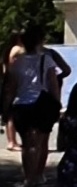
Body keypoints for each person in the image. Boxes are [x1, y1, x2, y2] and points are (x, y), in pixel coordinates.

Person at [3, 23, 61, 187]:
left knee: (27, 145)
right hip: (41, 104)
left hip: (22, 105)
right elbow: (53, 83)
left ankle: (28, 177)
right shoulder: (46, 59)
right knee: (40, 143)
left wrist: (6, 108)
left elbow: (11, 88)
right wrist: (57, 104)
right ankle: (37, 175)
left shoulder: (17, 63)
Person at [2, 30, 24, 152]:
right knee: (11, 114)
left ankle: (12, 141)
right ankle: (12, 141)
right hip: (13, 83)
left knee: (10, 113)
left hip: (9, 82)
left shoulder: (9, 49)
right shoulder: (17, 49)